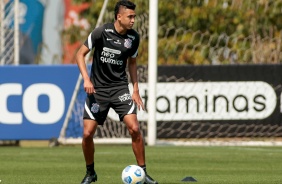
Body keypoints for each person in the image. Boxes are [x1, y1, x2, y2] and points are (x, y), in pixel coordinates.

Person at [75, 1, 158, 184]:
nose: (133, 20)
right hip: (98, 90)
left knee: (135, 128)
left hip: (120, 88)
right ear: (119, 16)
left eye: (134, 16)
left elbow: (133, 63)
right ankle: (90, 173)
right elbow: (79, 54)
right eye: (130, 16)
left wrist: (135, 89)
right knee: (88, 134)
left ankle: (143, 174)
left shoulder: (133, 38)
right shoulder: (100, 32)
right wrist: (86, 79)